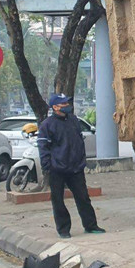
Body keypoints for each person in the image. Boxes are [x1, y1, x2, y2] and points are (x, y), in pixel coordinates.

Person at [37, 93, 104, 239]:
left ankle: (91, 225)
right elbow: (43, 148)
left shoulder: (73, 120)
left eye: (67, 103)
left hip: (75, 168)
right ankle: (63, 229)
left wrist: (81, 161)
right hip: (57, 170)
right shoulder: (47, 125)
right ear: (55, 107)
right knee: (58, 201)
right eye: (63, 104)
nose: (67, 106)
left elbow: (79, 141)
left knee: (83, 197)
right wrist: (48, 167)